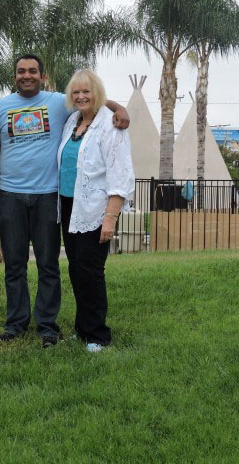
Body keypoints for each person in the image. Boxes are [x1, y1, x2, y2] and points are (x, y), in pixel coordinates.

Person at [0, 54, 130, 348]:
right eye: (21, 71)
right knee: (14, 265)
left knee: (49, 265)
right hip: (15, 196)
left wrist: (120, 107)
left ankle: (47, 326)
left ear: (43, 76)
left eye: (32, 71)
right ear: (15, 76)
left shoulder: (57, 103)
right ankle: (15, 323)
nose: (26, 75)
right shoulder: (2, 107)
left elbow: (93, 100)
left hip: (47, 198)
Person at [57, 69, 134, 352]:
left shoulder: (111, 126)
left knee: (91, 270)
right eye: (76, 92)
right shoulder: (71, 122)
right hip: (69, 206)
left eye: (86, 91)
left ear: (97, 93)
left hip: (96, 210)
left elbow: (120, 175)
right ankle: (82, 328)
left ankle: (98, 335)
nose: (80, 96)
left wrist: (110, 218)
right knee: (77, 270)